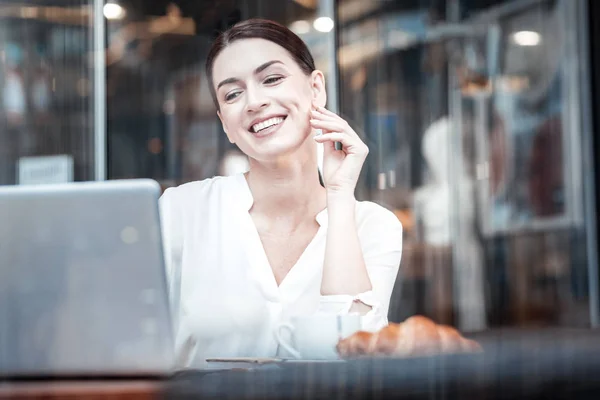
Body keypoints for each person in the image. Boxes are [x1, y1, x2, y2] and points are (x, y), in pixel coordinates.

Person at [159, 19, 403, 368]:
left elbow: (354, 355)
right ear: (225, 122)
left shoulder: (374, 226)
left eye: (271, 79)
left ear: (316, 89)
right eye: (232, 94)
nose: (254, 102)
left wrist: (339, 195)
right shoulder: (180, 212)